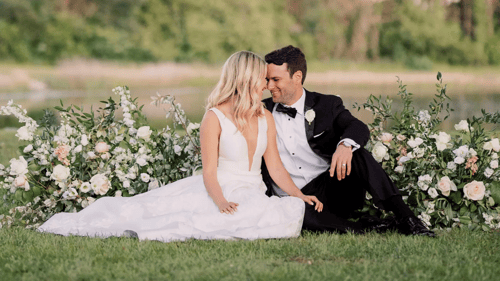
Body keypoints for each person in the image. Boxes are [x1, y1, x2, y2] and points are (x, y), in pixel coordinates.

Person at [38, 51, 324, 242]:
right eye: (263, 76)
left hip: (253, 189)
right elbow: (209, 172)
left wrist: (299, 194)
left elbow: (274, 166)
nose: (267, 82)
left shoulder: (265, 116)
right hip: (220, 187)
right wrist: (221, 201)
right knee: (158, 216)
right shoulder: (214, 117)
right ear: (247, 78)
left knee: (287, 212)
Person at [261, 45, 435, 237]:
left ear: (297, 77)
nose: (269, 86)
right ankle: (373, 227)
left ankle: (408, 219)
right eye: (267, 79)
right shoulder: (260, 111)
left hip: (332, 189)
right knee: (303, 219)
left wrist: (344, 146)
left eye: (276, 80)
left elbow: (357, 127)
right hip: (291, 196)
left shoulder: (326, 104)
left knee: (357, 153)